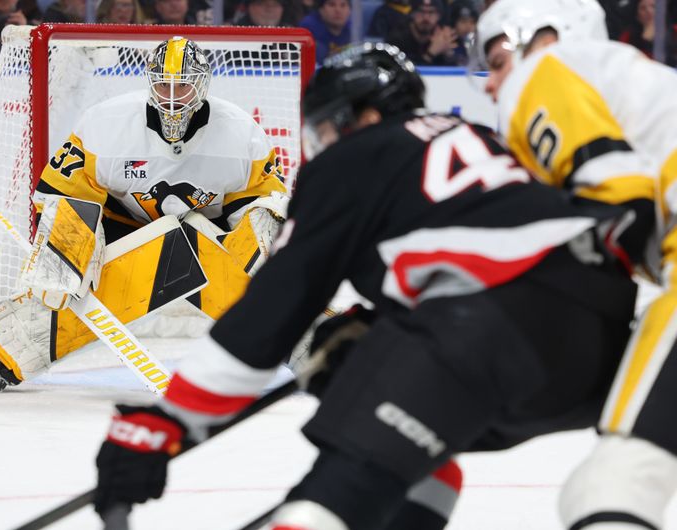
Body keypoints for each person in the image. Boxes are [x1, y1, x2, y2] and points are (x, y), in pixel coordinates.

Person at [92, 42, 640, 530]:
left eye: (328, 126)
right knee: (412, 443)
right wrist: (380, 333)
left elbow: (280, 299)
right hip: (603, 336)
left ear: (366, 116)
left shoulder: (359, 154)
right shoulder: (479, 137)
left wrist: (170, 419)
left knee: (347, 474)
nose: (324, 142)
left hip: (487, 327)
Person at [0, 36, 288, 391]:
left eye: (183, 86)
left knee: (269, 255)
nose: (172, 97)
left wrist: (270, 255)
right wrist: (65, 253)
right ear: (150, 82)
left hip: (203, 234)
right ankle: (18, 350)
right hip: (123, 230)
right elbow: (59, 194)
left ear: (201, 85)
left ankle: (313, 344)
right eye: (164, 85)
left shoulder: (242, 134)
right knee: (65, 275)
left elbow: (263, 202)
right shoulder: (106, 124)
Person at [476, 0, 677, 528]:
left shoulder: (545, 69)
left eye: (497, 62)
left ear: (546, 38)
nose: (491, 85)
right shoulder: (625, 82)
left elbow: (619, 201)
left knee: (613, 485)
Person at [387, 0, 458, 66]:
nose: (426, 17)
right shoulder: (397, 38)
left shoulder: (443, 36)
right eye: (421, 11)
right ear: (413, 14)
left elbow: (455, 71)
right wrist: (430, 54)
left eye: (431, 12)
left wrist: (448, 54)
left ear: (438, 16)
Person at [299, 0, 352, 64]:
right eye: (332, 5)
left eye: (343, 5)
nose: (338, 10)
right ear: (321, 9)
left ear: (350, 11)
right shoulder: (307, 29)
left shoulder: (355, 29)